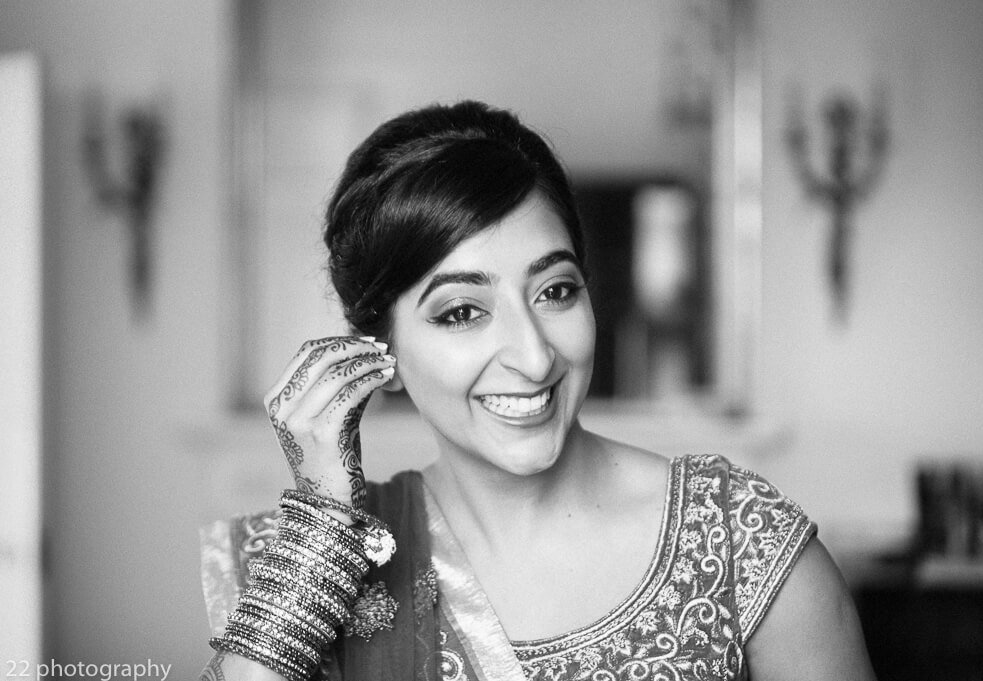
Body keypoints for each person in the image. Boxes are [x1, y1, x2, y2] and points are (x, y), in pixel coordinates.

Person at [199, 100, 876, 681]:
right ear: (383, 352)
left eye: (555, 291)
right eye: (462, 311)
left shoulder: (739, 543)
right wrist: (320, 533)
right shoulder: (310, 568)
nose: (533, 354)